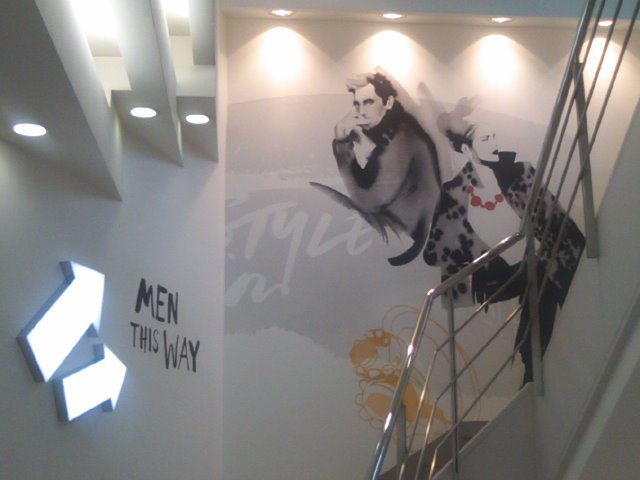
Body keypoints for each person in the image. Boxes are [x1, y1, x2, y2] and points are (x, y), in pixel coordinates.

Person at [426, 116, 585, 384]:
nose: (495, 144)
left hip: (538, 264)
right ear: (466, 149)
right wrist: (472, 262)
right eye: (486, 139)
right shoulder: (453, 193)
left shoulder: (520, 172)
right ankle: (533, 364)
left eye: (494, 136)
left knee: (543, 274)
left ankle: (533, 368)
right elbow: (433, 251)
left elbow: (556, 220)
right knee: (541, 274)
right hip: (494, 279)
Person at [311, 71, 442, 266]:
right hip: (405, 229)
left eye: (369, 102)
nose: (361, 111)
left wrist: (342, 142)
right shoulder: (393, 129)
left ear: (388, 102)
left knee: (320, 195)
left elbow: (369, 200)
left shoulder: (402, 137)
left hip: (407, 236)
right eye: (357, 104)